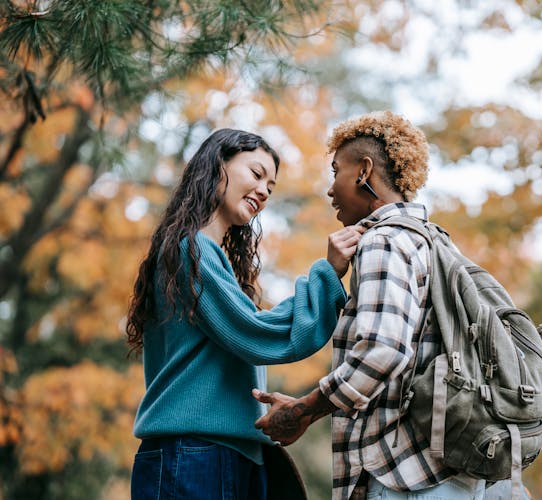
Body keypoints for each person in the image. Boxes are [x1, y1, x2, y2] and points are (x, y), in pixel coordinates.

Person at [253, 111, 493, 499]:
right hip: (447, 474)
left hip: (403, 479)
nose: (330, 189)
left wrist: (303, 410)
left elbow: (383, 350)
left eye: (336, 172)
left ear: (364, 170)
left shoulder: (384, 241)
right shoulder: (434, 242)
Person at [126, 128, 362, 500]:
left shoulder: (209, 258)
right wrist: (327, 274)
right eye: (256, 174)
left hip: (225, 454)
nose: (265, 190)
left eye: (271, 185)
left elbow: (255, 327)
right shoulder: (192, 251)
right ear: (216, 166)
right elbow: (257, 334)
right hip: (192, 455)